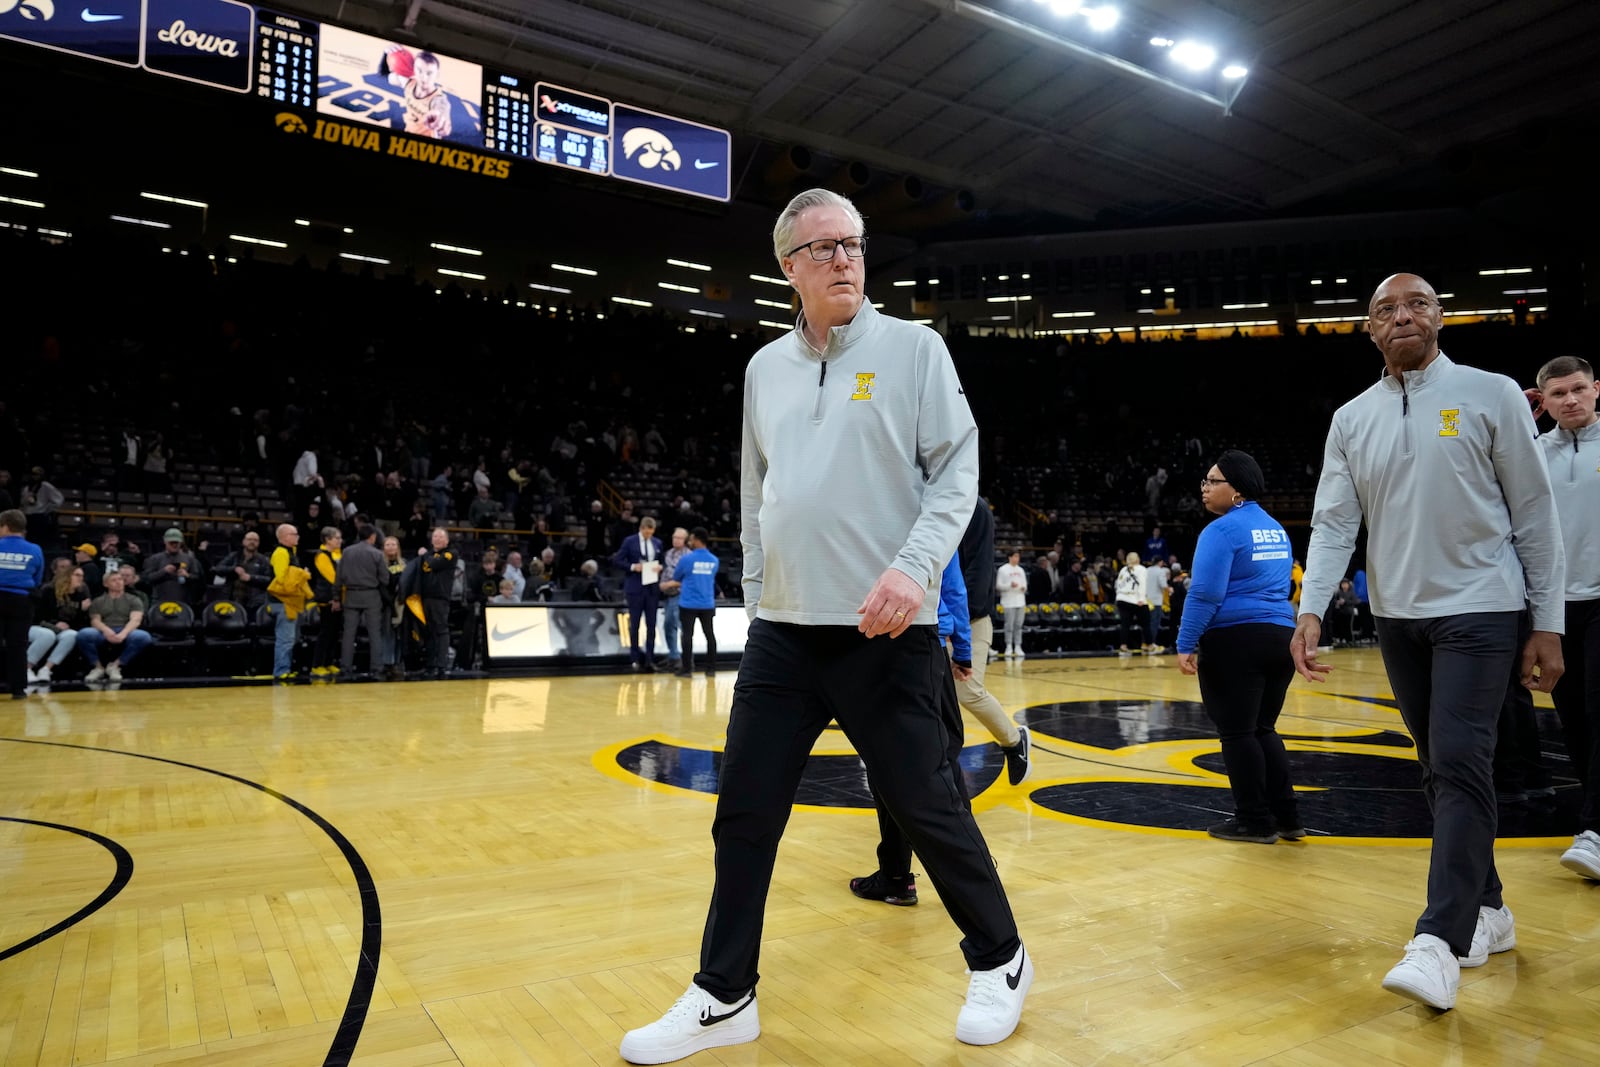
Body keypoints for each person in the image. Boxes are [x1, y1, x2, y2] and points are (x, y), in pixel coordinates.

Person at [620, 189, 1029, 1065]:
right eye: (824, 247)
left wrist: (911, 569)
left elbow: (958, 472)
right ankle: (726, 993)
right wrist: (761, 594)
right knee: (745, 811)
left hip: (885, 629)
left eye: (853, 243)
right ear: (788, 268)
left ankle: (1001, 956)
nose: (845, 258)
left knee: (923, 803)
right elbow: (754, 493)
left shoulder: (914, 349)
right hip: (784, 631)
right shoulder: (763, 368)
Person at [1292, 273, 1565, 1012]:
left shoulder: (1493, 392)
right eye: (1386, 309)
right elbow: (1334, 522)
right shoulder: (1352, 417)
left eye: (1417, 304)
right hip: (1397, 615)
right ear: (1370, 331)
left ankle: (1437, 939)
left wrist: (1548, 622)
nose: (1403, 315)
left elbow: (1536, 513)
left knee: (1457, 755)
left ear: (1441, 317)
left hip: (1482, 607)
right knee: (1438, 762)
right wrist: (1312, 607)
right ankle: (1491, 908)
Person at [1174, 452, 1300, 844]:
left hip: (1235, 640)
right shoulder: (1276, 529)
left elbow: (1206, 592)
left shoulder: (1221, 531)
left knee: (1238, 733)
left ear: (1238, 490)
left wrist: (1185, 640)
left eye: (1213, 481)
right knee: (1263, 729)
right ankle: (1288, 818)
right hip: (1281, 637)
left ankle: (1253, 821)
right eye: (1205, 481)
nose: (1205, 489)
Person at [1528, 355, 1600, 880]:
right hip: (1554, 608)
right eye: (1558, 394)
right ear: (1544, 401)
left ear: (1597, 389)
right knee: (1573, 718)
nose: (1570, 400)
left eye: (1578, 389)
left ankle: (1594, 829)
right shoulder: (1530, 455)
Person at [77, 570, 152, 683]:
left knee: (143, 636)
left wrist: (123, 634)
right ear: (106, 584)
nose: (118, 582)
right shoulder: (98, 601)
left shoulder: (134, 599)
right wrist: (107, 631)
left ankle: (115, 665)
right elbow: (95, 621)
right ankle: (98, 667)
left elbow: (136, 620)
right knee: (84, 634)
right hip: (104, 630)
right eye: (114, 580)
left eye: (120, 579)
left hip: (125, 629)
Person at [0, 509, 44, 699]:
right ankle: (18, 689)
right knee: (18, 645)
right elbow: (38, 577)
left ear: (6, 526)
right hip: (22, 600)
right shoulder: (35, 549)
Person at [613, 515, 664, 672]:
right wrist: (633, 567)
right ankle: (634, 658)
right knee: (634, 624)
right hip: (635, 588)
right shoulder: (630, 541)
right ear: (641, 529)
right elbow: (617, 560)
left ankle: (649, 659)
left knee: (651, 625)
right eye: (647, 532)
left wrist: (660, 567)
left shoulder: (657, 543)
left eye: (651, 533)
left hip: (652, 589)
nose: (649, 535)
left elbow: (662, 561)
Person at [337, 525, 389, 676]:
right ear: (372, 536)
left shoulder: (346, 552)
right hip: (371, 596)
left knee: (348, 634)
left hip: (351, 595)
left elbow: (338, 577)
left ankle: (345, 668)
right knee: (374, 634)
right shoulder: (377, 554)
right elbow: (384, 579)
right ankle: (376, 668)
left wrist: (336, 597)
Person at [29, 562, 90, 685]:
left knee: (72, 635)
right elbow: (38, 616)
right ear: (67, 576)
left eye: (82, 576)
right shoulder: (48, 590)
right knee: (47, 635)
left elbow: (78, 621)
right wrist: (55, 625)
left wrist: (79, 610)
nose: (80, 578)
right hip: (38, 626)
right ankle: (26, 668)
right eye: (77, 575)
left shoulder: (80, 595)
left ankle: (46, 669)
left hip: (60, 630)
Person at [670, 527, 718, 677]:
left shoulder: (687, 559)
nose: (689, 541)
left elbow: (676, 577)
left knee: (687, 636)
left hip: (688, 604)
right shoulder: (714, 560)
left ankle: (687, 670)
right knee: (710, 636)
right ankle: (711, 669)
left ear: (697, 539)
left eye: (691, 539)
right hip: (707, 604)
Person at [267, 523, 311, 683]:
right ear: (285, 537)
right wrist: (302, 574)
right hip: (282, 602)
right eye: (294, 534)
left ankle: (286, 668)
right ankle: (281, 671)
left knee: (291, 638)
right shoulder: (280, 553)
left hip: (291, 602)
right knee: (285, 638)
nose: (297, 537)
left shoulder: (291, 552)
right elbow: (282, 579)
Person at [418, 528, 458, 678]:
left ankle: (441, 665)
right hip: (425, 598)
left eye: (441, 537)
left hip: (440, 599)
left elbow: (435, 564)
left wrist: (424, 554)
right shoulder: (427, 555)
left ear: (447, 540)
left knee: (441, 631)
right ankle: (430, 664)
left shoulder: (450, 553)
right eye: (435, 536)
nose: (438, 539)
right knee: (428, 631)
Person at [308, 527, 344, 677]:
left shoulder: (337, 555)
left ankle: (329, 662)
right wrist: (336, 598)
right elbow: (332, 577)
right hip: (326, 599)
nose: (340, 541)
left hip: (338, 598)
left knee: (334, 633)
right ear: (327, 539)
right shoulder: (322, 556)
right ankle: (317, 665)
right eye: (337, 538)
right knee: (325, 633)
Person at [215, 530, 274, 614]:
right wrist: (233, 569)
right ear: (244, 541)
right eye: (250, 539)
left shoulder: (264, 560)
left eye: (255, 540)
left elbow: (270, 580)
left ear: (259, 543)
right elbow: (217, 569)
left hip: (254, 602)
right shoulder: (234, 556)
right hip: (232, 599)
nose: (252, 542)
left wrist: (251, 578)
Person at [660, 527, 689, 671]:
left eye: (679, 538)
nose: (675, 540)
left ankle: (684, 659)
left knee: (680, 626)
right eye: (674, 537)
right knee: (668, 626)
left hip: (681, 595)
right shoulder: (668, 553)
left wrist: (669, 584)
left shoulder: (688, 555)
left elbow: (688, 577)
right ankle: (673, 656)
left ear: (685, 540)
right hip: (667, 595)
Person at [995, 548, 1027, 659]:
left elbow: (1025, 585)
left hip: (1020, 601)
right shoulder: (1003, 570)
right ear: (1010, 557)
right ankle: (1008, 645)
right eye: (1015, 556)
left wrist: (1023, 588)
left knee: (1019, 625)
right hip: (1008, 601)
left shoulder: (1021, 570)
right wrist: (1009, 585)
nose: (1016, 559)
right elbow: (998, 586)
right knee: (1009, 625)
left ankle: (1018, 645)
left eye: (1018, 557)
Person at [1114, 551, 1147, 654]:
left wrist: (1119, 596)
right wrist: (1141, 598)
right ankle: (1149, 645)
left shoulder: (1123, 569)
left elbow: (1117, 584)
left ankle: (1123, 646)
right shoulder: (1141, 569)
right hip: (1134, 599)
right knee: (1146, 622)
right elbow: (1142, 584)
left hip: (1121, 598)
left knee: (1125, 624)